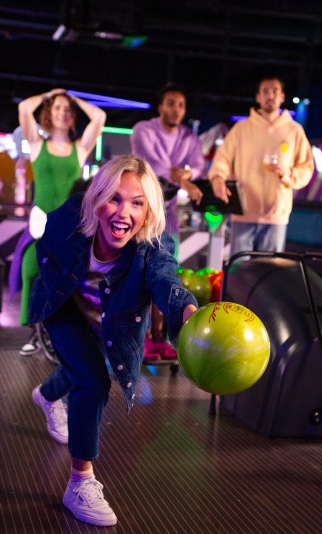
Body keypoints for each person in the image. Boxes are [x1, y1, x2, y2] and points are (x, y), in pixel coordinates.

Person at [27, 155, 199, 527]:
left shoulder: (153, 246)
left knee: (83, 366)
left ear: (149, 208)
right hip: (66, 306)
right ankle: (80, 482)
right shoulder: (71, 219)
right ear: (96, 199)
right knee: (93, 380)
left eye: (137, 203)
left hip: (111, 318)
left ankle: (48, 394)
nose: (124, 212)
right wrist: (56, 286)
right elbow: (46, 250)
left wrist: (185, 311)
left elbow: (166, 279)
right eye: (114, 199)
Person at [16, 88, 106, 355]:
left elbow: (99, 115)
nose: (63, 113)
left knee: (67, 277)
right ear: (48, 112)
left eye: (67, 110)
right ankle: (35, 330)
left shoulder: (79, 149)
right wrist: (49, 95)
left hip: (70, 224)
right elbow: (23, 107)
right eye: (57, 108)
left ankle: (60, 335)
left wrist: (74, 98)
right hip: (41, 223)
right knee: (31, 269)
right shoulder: (36, 145)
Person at [130, 83, 206, 361]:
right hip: (141, 209)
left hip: (168, 211)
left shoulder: (189, 137)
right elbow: (149, 164)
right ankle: (140, 336)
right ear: (161, 106)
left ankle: (158, 338)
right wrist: (184, 178)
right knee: (139, 276)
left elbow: (199, 165)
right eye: (171, 103)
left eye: (181, 105)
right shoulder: (143, 129)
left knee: (164, 272)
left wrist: (186, 174)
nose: (176, 109)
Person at [207, 76, 313, 255]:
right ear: (258, 97)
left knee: (269, 272)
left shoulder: (294, 131)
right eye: (265, 91)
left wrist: (287, 173)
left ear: (282, 96)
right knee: (239, 272)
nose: (270, 95)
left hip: (276, 216)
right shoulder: (241, 129)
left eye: (275, 91)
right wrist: (218, 178)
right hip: (243, 212)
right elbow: (222, 159)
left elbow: (306, 167)